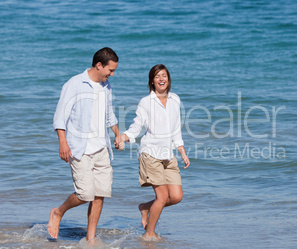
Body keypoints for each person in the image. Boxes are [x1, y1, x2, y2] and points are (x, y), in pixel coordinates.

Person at [47, 47, 123, 243]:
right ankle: (58, 211)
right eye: (110, 70)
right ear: (99, 65)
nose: (112, 74)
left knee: (100, 195)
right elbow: (60, 117)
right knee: (84, 194)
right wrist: (62, 143)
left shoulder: (106, 86)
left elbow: (109, 115)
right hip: (79, 149)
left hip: (102, 149)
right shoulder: (74, 84)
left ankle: (90, 239)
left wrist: (117, 134)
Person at [120, 64, 190, 241]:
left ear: (168, 79)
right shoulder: (146, 102)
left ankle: (145, 207)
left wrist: (182, 151)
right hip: (150, 153)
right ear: (152, 81)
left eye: (164, 76)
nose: (161, 79)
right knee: (162, 196)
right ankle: (149, 234)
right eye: (157, 76)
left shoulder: (175, 99)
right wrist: (124, 137)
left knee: (176, 196)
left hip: (168, 154)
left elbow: (176, 129)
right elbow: (137, 126)